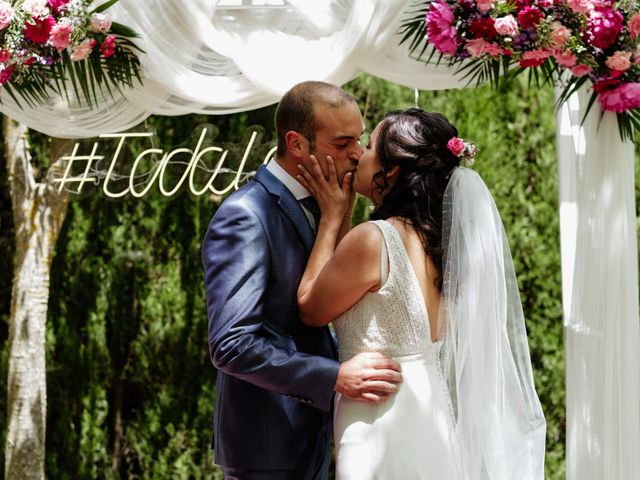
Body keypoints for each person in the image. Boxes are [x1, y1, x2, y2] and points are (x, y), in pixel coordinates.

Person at [297, 108, 547, 479]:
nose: (358, 155)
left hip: (378, 415)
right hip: (428, 411)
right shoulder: (442, 244)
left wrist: (332, 218)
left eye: (368, 147)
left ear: (392, 168)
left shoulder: (373, 239)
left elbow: (310, 307)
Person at [202, 81, 402, 480]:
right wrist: (335, 377)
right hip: (266, 446)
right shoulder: (246, 215)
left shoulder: (329, 201)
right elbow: (232, 345)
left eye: (359, 141)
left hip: (313, 436)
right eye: (342, 142)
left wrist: (339, 215)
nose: (357, 154)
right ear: (296, 144)